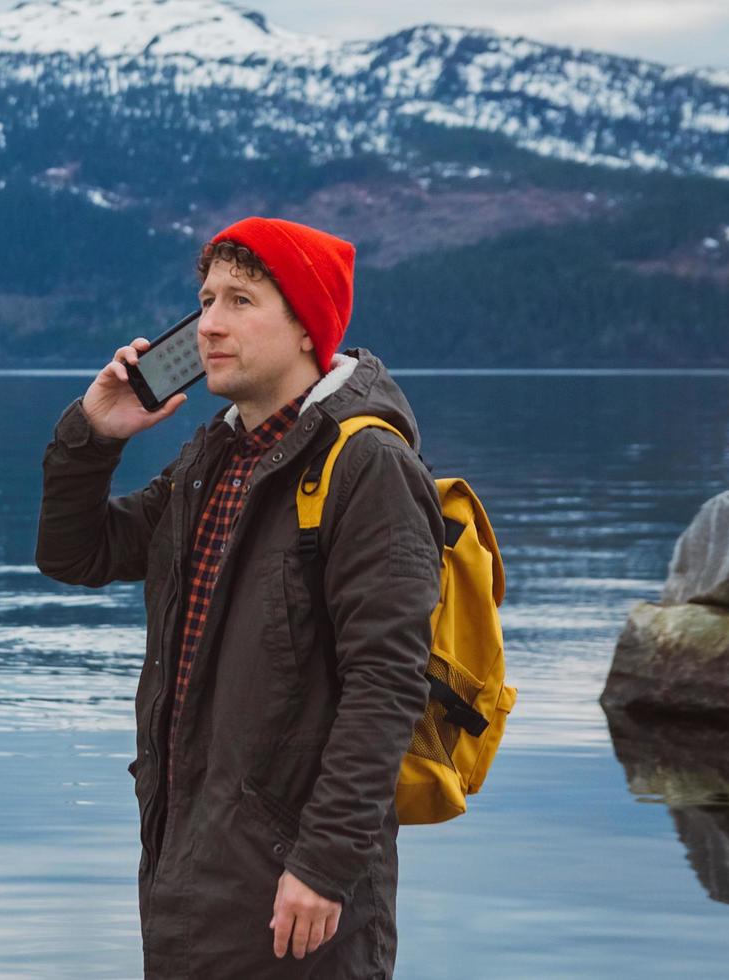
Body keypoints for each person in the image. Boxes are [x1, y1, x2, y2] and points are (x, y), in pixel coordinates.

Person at [36, 216, 444, 978]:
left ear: (305, 329)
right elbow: (76, 553)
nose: (210, 325)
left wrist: (324, 866)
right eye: (206, 299)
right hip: (187, 874)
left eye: (241, 301)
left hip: (297, 898)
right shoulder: (213, 459)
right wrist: (95, 435)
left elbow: (386, 686)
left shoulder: (369, 469)